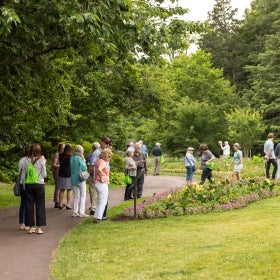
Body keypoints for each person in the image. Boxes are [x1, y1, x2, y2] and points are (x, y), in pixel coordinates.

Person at [20, 143, 47, 234]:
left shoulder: (25, 160)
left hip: (28, 185)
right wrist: (44, 163)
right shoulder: (41, 160)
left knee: (29, 206)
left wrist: (23, 185)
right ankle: (39, 228)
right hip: (39, 184)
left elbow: (23, 174)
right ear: (39, 151)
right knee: (40, 206)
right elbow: (44, 174)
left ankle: (31, 228)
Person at [91, 136, 113, 220]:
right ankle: (100, 217)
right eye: (106, 143)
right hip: (100, 182)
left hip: (99, 181)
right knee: (102, 201)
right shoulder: (100, 158)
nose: (108, 145)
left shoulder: (101, 159)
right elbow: (98, 168)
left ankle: (99, 216)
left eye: (109, 143)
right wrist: (102, 179)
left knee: (101, 200)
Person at [70, 145, 89, 217]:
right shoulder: (79, 158)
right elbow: (84, 168)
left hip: (73, 178)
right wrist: (84, 160)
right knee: (83, 195)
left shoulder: (71, 157)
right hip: (80, 178)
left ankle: (74, 212)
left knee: (76, 196)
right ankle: (81, 212)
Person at [86, 142, 101, 215]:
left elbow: (89, 166)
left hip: (91, 175)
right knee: (97, 191)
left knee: (92, 191)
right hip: (98, 175)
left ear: (93, 148)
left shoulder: (89, 156)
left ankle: (93, 206)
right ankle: (95, 207)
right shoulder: (101, 155)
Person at [18, 145, 30, 230]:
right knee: (28, 204)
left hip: (22, 183)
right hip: (28, 183)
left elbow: (20, 171)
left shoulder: (21, 160)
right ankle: (26, 223)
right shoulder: (30, 160)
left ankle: (22, 223)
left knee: (23, 204)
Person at [58, 144, 73, 210]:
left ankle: (60, 204)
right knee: (69, 189)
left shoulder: (60, 155)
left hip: (61, 174)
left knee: (62, 189)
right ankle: (68, 204)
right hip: (69, 174)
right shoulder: (71, 157)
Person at [51, 143, 65, 208]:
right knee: (58, 187)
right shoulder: (57, 154)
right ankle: (57, 202)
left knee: (59, 186)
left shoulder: (61, 155)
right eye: (63, 148)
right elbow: (54, 164)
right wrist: (61, 166)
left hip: (60, 172)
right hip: (57, 172)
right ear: (60, 148)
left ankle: (59, 202)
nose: (64, 149)